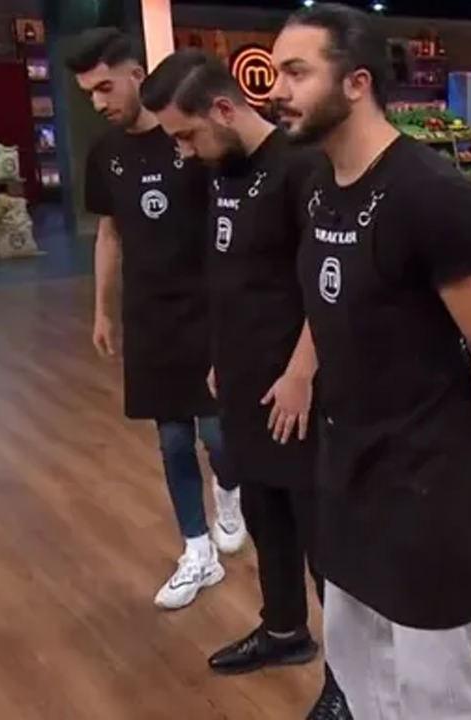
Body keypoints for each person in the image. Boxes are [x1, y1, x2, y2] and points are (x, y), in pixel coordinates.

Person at [270, 5, 471, 718]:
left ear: (356, 83)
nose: (278, 90)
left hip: (422, 482)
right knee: (355, 660)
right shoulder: (319, 185)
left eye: (297, 72)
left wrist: (451, 438)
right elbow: (332, 308)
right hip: (345, 464)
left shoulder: (429, 194)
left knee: (434, 684)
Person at [140, 50, 349, 719]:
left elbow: (328, 284)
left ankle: (349, 679)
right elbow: (230, 272)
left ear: (225, 110)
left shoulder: (302, 169)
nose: (183, 151)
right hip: (241, 379)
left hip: (297, 388)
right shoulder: (221, 171)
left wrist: (302, 371)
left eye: (186, 135)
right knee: (265, 514)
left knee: (323, 541)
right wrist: (219, 356)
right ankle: (284, 631)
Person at [68, 28, 246, 611]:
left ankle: (230, 490)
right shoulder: (105, 154)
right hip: (149, 315)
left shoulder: (189, 139)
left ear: (135, 75)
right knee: (172, 439)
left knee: (218, 433)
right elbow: (110, 233)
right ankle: (197, 550)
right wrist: (102, 309)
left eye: (104, 88)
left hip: (208, 308)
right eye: (89, 94)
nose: (98, 102)